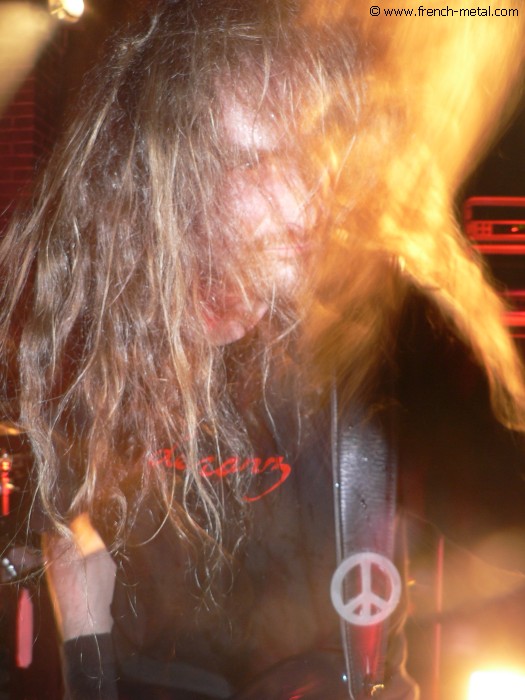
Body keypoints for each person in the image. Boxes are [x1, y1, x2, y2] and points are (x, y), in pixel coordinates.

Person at [0, 1, 525, 698]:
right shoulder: (100, 343)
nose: (303, 192)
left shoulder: (379, 342)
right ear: (176, 179)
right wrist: (86, 648)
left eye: (313, 147)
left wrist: (444, 308)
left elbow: (501, 508)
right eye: (254, 159)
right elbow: (68, 545)